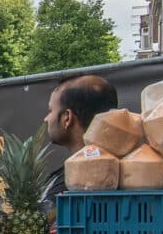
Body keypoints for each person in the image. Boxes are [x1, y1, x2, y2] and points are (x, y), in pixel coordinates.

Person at [42, 74, 119, 205]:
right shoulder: (121, 170)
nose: (46, 119)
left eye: (51, 111)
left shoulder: (74, 181)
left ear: (67, 118)